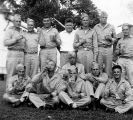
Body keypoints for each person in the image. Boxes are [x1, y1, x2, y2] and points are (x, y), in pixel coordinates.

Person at [94, 11, 116, 78]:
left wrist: (111, 38)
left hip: (108, 48)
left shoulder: (111, 26)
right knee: (99, 66)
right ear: (100, 18)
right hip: (99, 48)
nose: (104, 19)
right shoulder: (96, 27)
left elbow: (115, 38)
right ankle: (99, 80)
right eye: (102, 17)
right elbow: (94, 39)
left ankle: (108, 81)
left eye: (105, 17)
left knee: (108, 66)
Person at [4, 14, 25, 83]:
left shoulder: (22, 31)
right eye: (16, 21)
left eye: (19, 21)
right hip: (13, 53)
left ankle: (17, 91)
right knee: (11, 74)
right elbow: (5, 43)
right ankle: (8, 91)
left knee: (20, 74)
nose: (18, 23)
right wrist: (15, 39)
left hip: (22, 54)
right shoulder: (9, 30)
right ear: (13, 22)